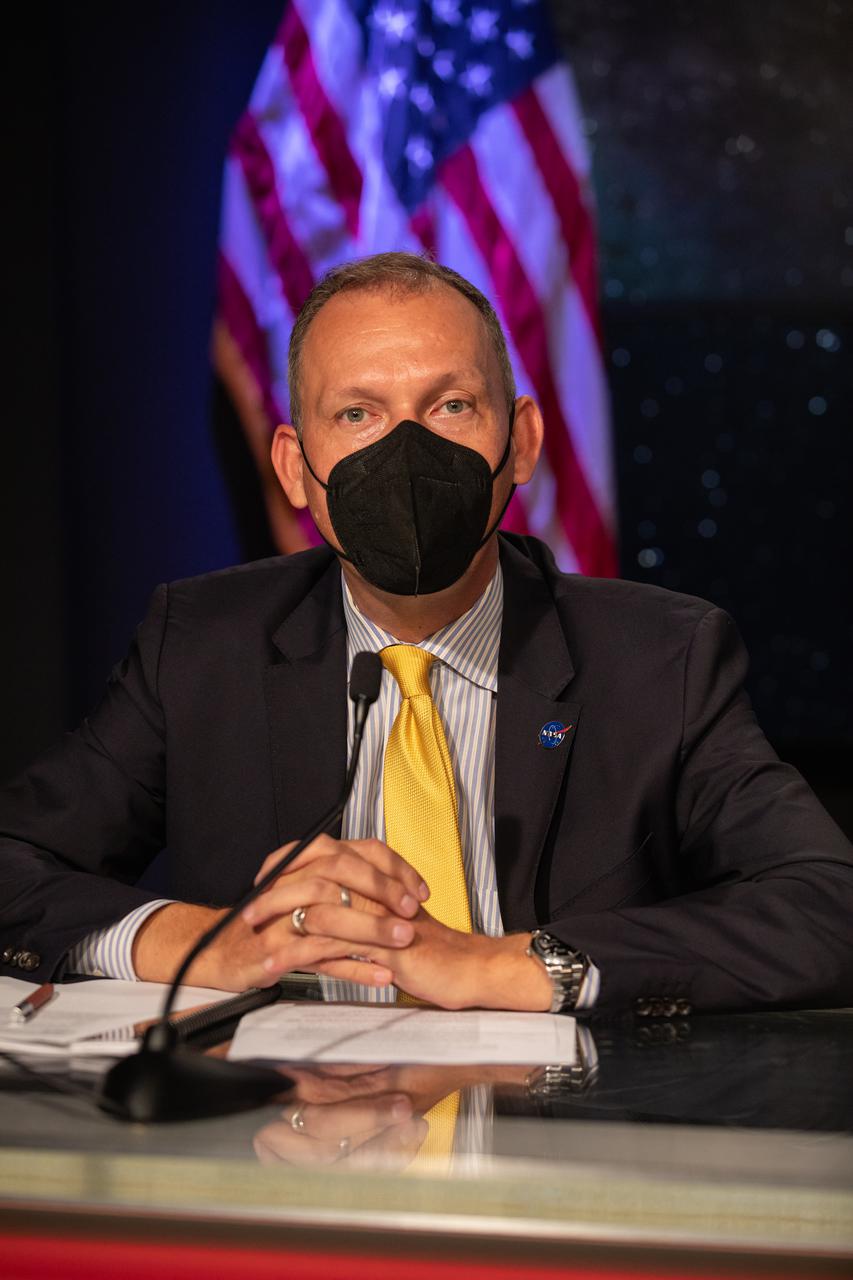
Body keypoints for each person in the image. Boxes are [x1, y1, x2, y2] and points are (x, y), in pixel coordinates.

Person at [2, 252, 852, 1017]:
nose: (406, 453)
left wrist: (507, 966)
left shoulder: (659, 658)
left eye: (449, 405)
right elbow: (15, 863)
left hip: (562, 1152)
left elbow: (824, 904)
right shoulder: (199, 646)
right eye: (358, 415)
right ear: (296, 468)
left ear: (519, 442)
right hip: (276, 1153)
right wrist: (210, 943)